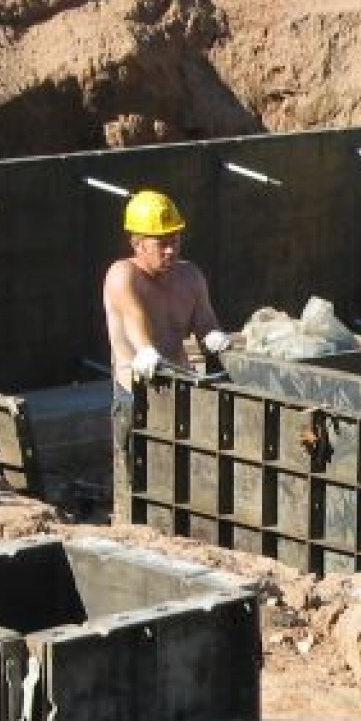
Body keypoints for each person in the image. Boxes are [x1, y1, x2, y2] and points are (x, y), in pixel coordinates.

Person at [102, 188, 232, 505]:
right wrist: (144, 349)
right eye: (161, 243)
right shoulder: (123, 275)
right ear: (137, 244)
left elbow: (205, 320)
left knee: (185, 478)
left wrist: (214, 335)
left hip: (181, 389)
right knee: (140, 479)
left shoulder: (190, 276)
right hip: (137, 395)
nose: (170, 251)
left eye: (175, 240)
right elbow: (134, 317)